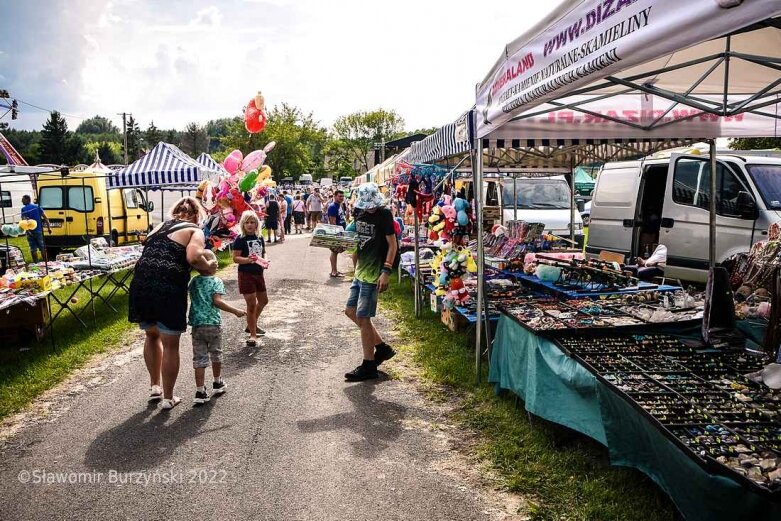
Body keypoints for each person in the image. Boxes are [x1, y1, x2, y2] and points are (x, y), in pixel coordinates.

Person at [129, 197, 215, 410]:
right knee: (170, 343)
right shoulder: (195, 230)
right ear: (197, 216)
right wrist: (210, 266)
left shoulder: (158, 227)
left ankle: (155, 386)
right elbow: (194, 257)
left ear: (175, 212)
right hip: (168, 286)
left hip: (141, 283)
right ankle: (169, 397)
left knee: (151, 335)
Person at [343, 183, 397, 382]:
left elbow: (393, 245)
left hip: (374, 273)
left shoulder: (384, 214)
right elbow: (351, 239)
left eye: (371, 203)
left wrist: (386, 271)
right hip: (360, 272)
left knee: (363, 317)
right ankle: (381, 348)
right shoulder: (359, 214)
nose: (369, 207)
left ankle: (368, 365)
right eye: (366, 204)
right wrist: (342, 247)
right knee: (350, 311)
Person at [188, 250, 246, 404]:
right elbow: (217, 301)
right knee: (216, 354)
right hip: (213, 323)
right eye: (214, 260)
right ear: (207, 265)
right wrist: (235, 311)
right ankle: (217, 382)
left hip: (197, 325)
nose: (217, 261)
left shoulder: (193, 281)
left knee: (199, 358)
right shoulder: (216, 281)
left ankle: (200, 391)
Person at [232, 211, 269, 347]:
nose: (249, 225)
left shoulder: (259, 237)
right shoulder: (240, 239)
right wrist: (248, 260)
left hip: (259, 273)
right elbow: (235, 258)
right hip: (246, 274)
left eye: (252, 222)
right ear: (243, 224)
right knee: (251, 304)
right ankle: (252, 334)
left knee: (264, 300)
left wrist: (264, 261)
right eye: (247, 222)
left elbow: (263, 252)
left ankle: (251, 324)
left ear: (256, 224)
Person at [20, 195, 51, 263]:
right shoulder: (37, 207)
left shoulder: (23, 209)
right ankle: (46, 262)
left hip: (29, 232)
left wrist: (27, 230)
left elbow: (23, 221)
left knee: (33, 248)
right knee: (42, 247)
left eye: (23, 199)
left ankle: (36, 263)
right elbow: (45, 218)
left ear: (27, 200)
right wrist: (49, 228)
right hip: (39, 231)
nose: (22, 201)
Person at [327, 189, 347, 277]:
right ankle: (334, 271)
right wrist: (336, 235)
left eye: (342, 196)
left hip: (341, 231)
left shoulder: (340, 205)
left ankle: (334, 271)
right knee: (334, 251)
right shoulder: (332, 207)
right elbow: (332, 222)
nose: (341, 198)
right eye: (339, 196)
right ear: (335, 196)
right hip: (337, 232)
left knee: (336, 251)